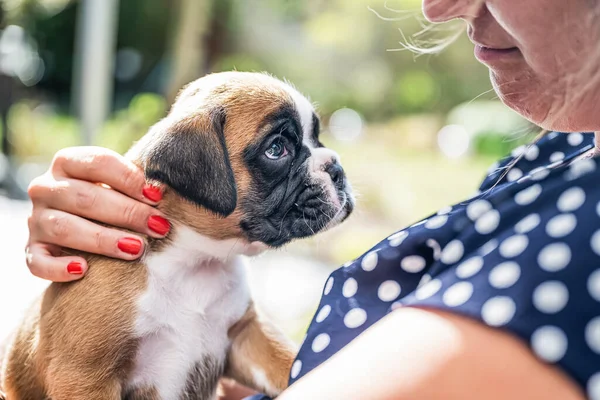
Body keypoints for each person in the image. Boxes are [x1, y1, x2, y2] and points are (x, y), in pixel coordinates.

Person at [22, 0, 600, 398]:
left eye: (311, 143)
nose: (436, 6)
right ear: (194, 169)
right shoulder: (555, 158)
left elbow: (254, 346)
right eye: (280, 150)